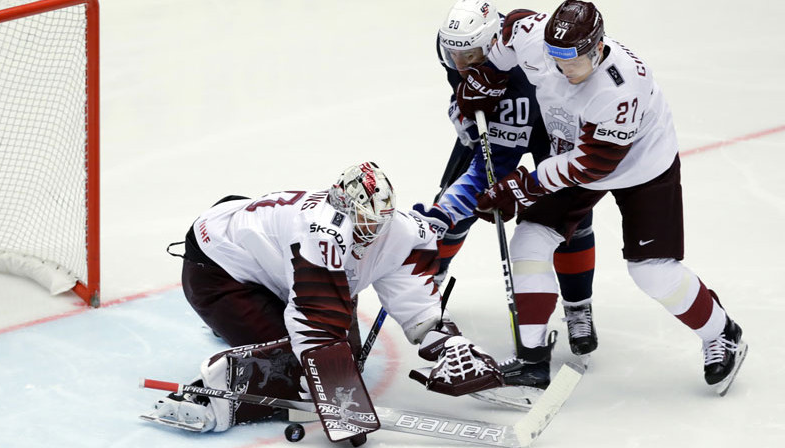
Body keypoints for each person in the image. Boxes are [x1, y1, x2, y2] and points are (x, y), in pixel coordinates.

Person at [465, 0, 747, 393]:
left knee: (652, 271)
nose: (562, 68)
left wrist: (522, 186)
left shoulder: (620, 89)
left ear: (597, 49)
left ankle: (723, 332)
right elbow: (510, 30)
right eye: (555, 56)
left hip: (642, 166)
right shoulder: (534, 37)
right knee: (529, 240)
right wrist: (487, 79)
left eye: (572, 60)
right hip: (574, 153)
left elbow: (591, 166)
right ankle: (532, 362)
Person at [143, 162, 503, 433]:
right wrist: (336, 396)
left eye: (380, 223)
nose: (373, 234)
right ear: (342, 207)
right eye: (364, 223)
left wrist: (445, 339)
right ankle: (211, 394)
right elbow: (315, 318)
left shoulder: (402, 230)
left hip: (274, 258)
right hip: (219, 269)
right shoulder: (321, 231)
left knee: (343, 361)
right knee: (301, 366)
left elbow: (409, 292)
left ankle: (247, 325)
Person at [414, 0, 599, 371]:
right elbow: (461, 92)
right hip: (497, 127)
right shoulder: (456, 51)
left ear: (492, 41)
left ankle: (578, 307)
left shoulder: (528, 42)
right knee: (457, 204)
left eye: (470, 55)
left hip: (552, 125)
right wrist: (463, 116)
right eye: (455, 55)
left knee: (569, 220)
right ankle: (429, 284)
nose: (461, 63)